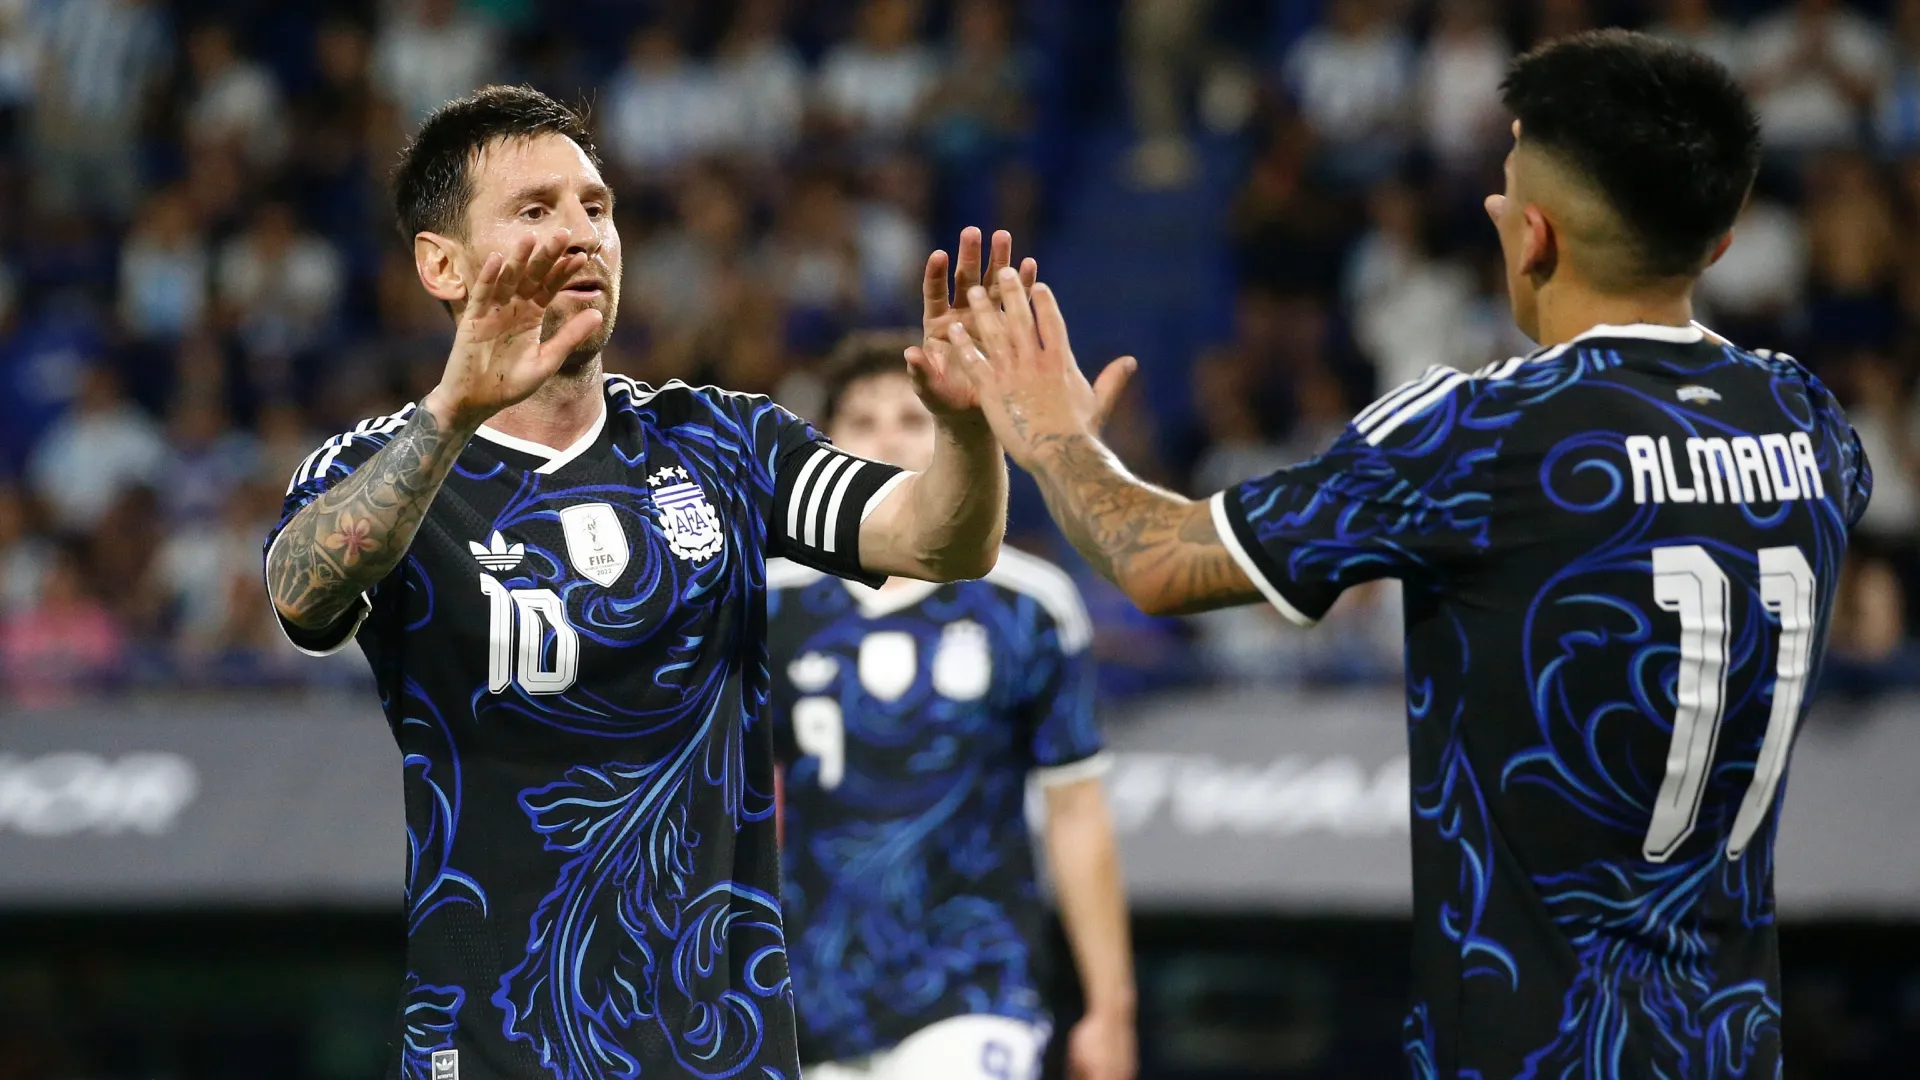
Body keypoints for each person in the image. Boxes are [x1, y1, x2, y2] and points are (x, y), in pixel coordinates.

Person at [945, 31, 1870, 1079]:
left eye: (1505, 191)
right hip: (1733, 1045)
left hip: (1530, 1051)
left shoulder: (1480, 432)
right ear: (1721, 240)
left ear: (1535, 238)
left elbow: (1155, 560)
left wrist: (1052, 435)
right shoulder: (1806, 421)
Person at [261, 85, 1014, 1080]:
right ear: (442, 264)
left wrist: (966, 430)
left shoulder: (724, 443)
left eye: (597, 207)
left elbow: (940, 542)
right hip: (490, 1050)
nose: (582, 235)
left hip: (720, 1052)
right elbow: (301, 590)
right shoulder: (378, 466)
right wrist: (449, 413)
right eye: (536, 210)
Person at [767, 332, 1136, 1080]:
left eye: (913, 418)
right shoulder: (767, 604)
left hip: (976, 981)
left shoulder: (1027, 606)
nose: (888, 440)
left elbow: (1075, 811)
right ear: (825, 446)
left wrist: (1112, 1006)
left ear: (953, 431)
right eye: (862, 422)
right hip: (810, 993)